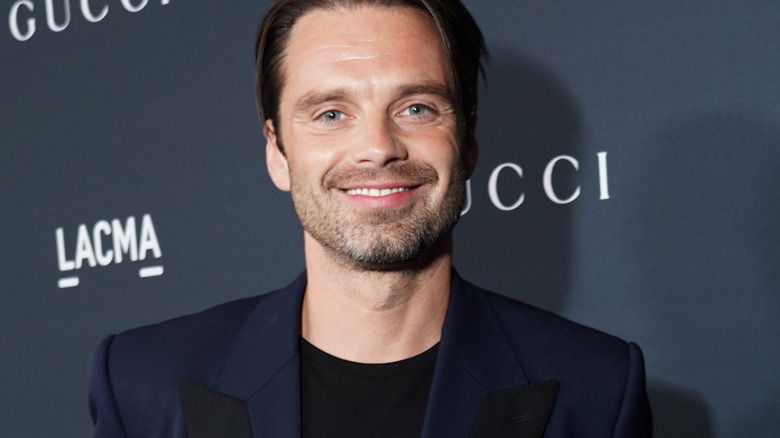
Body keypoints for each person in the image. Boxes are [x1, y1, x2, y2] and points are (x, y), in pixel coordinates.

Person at [89, 0, 653, 436]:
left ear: (468, 141)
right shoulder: (144, 384)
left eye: (416, 108)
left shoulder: (597, 389)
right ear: (276, 151)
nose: (378, 148)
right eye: (331, 113)